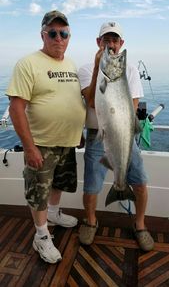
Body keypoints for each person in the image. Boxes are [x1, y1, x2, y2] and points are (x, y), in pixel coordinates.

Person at [6, 10, 86, 263]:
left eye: (63, 33)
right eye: (52, 33)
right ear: (43, 34)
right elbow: (16, 108)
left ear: (69, 36)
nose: (58, 38)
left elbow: (72, 100)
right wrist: (30, 148)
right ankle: (41, 235)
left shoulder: (71, 64)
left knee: (59, 183)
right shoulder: (28, 63)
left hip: (67, 141)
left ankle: (53, 213)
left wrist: (79, 131)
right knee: (38, 191)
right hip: (41, 143)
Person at [78, 21, 154, 251]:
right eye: (106, 40)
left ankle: (140, 224)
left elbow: (132, 104)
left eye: (115, 40)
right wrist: (96, 68)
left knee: (140, 182)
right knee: (91, 186)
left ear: (121, 44)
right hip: (97, 135)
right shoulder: (84, 69)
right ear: (98, 42)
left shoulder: (129, 70)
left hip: (124, 134)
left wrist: (124, 129)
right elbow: (91, 101)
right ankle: (91, 222)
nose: (110, 45)